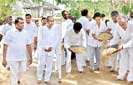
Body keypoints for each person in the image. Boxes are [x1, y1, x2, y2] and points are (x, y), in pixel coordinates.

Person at [2, 17, 32, 85]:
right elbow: (5, 45)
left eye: (23, 23)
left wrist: (31, 57)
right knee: (14, 75)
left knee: (23, 70)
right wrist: (4, 58)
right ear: (16, 24)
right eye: (21, 23)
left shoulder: (26, 33)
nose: (23, 24)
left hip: (23, 57)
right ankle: (15, 82)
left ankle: (18, 79)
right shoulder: (9, 33)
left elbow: (28, 45)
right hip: (12, 58)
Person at [37, 16, 59, 84]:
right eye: (50, 21)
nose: (52, 23)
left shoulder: (55, 29)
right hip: (43, 49)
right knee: (41, 64)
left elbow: (56, 39)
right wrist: (45, 48)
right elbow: (40, 39)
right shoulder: (41, 28)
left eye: (53, 21)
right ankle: (39, 78)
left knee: (49, 65)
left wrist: (52, 47)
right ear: (47, 21)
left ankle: (47, 79)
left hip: (51, 50)